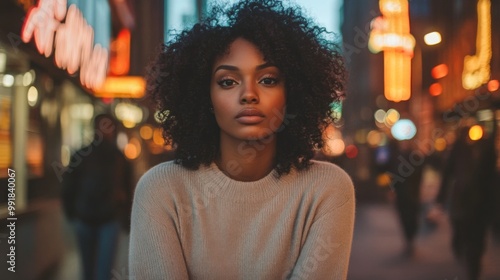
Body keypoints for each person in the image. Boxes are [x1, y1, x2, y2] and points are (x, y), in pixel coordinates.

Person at [129, 0, 355, 279]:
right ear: (205, 97)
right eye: (227, 81)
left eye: (268, 79)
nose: (249, 94)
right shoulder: (162, 190)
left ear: (293, 92)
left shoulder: (327, 190)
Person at [62, 114, 133, 280]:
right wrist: (71, 212)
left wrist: (126, 217)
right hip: (85, 217)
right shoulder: (80, 155)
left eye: (109, 126)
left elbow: (127, 187)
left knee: (104, 271)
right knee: (87, 269)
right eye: (103, 126)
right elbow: (69, 186)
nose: (106, 130)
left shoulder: (119, 157)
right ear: (95, 128)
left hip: (110, 218)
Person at [436, 123, 497, 280]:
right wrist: (441, 198)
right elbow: (448, 173)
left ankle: (473, 268)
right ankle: (464, 252)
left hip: (481, 204)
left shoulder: (487, 149)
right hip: (461, 202)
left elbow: (491, 178)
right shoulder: (458, 149)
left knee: (477, 239)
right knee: (462, 231)